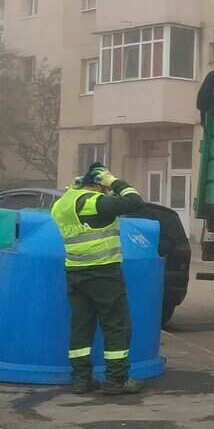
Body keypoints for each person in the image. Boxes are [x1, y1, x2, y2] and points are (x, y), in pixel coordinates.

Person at [50, 162, 145, 395]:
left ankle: (81, 380)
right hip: (103, 272)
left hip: (75, 271)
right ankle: (117, 380)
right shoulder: (95, 202)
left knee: (81, 325)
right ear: (98, 185)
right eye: (104, 186)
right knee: (116, 325)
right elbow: (135, 201)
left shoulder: (62, 204)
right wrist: (113, 181)